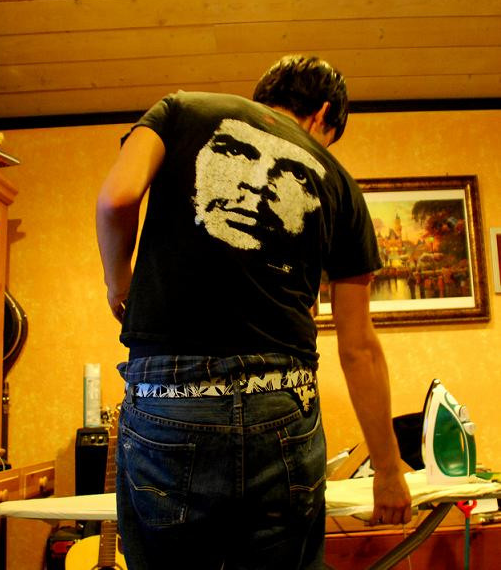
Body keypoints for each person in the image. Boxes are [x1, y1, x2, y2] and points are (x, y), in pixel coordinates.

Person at [96, 55, 411, 570]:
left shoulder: (182, 109)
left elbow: (116, 199)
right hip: (281, 401)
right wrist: (389, 469)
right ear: (323, 114)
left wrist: (118, 282)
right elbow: (359, 347)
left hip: (169, 399)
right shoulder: (341, 184)